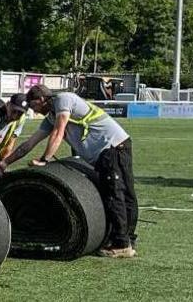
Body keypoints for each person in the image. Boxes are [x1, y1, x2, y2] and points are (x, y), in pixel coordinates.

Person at [16, 83, 138, 258]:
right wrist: (4, 163)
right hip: (113, 148)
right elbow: (29, 144)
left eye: (34, 106)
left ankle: (122, 243)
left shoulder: (63, 100)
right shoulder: (50, 117)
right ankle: (126, 240)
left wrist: (45, 160)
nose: (34, 111)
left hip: (112, 148)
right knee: (123, 194)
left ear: (41, 99)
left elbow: (58, 132)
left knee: (116, 195)